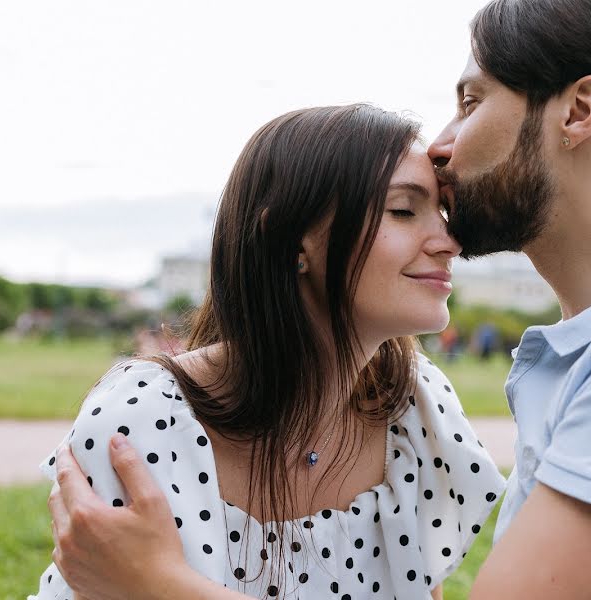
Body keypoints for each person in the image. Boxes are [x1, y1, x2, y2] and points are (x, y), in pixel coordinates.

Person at [48, 0, 591, 597]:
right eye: (402, 209)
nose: (442, 143)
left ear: (579, 110)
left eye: (470, 101)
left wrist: (161, 588)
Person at [31, 103, 505, 600]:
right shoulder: (146, 419)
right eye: (404, 210)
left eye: (442, 213)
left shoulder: (414, 410)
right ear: (293, 238)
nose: (449, 241)